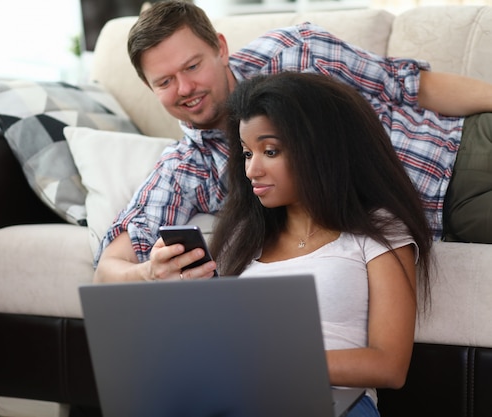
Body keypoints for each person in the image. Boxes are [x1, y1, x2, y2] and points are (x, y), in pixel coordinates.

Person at [93, 0, 492, 283]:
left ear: (220, 47)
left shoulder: (294, 51)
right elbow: (108, 267)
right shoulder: (187, 168)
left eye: (193, 66)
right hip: (447, 209)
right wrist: (149, 272)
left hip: (467, 141)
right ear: (150, 88)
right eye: (164, 82)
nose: (185, 88)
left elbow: (409, 86)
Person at [209, 71, 433, 417]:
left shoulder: (378, 230)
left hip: (333, 402)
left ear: (318, 149)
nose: (252, 169)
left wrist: (278, 363)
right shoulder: (243, 240)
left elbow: (389, 365)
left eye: (270, 151)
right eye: (246, 153)